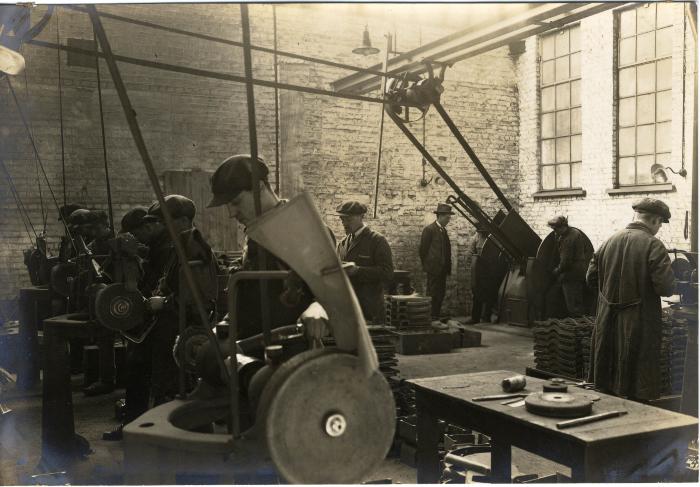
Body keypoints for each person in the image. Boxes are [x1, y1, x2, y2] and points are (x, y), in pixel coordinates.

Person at [206, 154, 330, 344]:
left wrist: (318, 309)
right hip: (249, 350)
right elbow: (247, 298)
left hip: (293, 353)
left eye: (236, 202)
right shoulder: (255, 237)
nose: (231, 213)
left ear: (260, 188)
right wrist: (222, 329)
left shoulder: (307, 230)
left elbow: (334, 295)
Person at [586, 198, 676, 401]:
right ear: (654, 220)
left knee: (608, 377)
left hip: (607, 319)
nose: (659, 228)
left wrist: (609, 294)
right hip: (639, 322)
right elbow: (666, 288)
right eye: (660, 223)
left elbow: (590, 279)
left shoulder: (609, 241)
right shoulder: (654, 245)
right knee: (637, 381)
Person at [336, 201, 394, 324]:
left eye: (348, 219)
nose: (344, 224)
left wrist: (358, 271)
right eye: (342, 219)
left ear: (361, 217)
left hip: (370, 311)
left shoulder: (377, 241)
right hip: (349, 310)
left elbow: (387, 273)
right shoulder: (342, 244)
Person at [546, 215, 588, 317]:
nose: (555, 232)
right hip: (580, 271)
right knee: (577, 300)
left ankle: (576, 326)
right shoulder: (575, 232)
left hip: (571, 274)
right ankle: (581, 323)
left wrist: (556, 271)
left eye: (556, 229)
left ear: (562, 227)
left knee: (572, 305)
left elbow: (565, 262)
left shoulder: (568, 239)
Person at [419, 203, 453, 321]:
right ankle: (431, 317)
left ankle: (436, 316)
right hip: (433, 269)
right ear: (440, 216)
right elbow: (423, 250)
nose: (449, 220)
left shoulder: (443, 231)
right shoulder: (429, 230)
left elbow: (446, 250)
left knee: (440, 294)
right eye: (447, 218)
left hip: (442, 269)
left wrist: (447, 267)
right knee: (432, 293)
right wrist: (428, 265)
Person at [467, 224, 494, 324]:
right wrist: (475, 261)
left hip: (491, 270)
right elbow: (470, 253)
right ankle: (475, 317)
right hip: (479, 270)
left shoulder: (493, 238)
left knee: (490, 293)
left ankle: (487, 317)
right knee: (477, 294)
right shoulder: (476, 237)